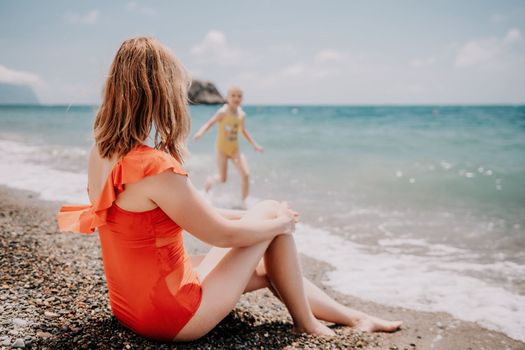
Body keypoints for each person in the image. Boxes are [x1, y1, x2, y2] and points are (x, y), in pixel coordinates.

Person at [57, 37, 402, 342]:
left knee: (268, 264)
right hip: (171, 316)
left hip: (128, 305)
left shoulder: (101, 152)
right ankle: (307, 323)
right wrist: (279, 223)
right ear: (163, 92)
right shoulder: (155, 167)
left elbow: (187, 214)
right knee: (269, 212)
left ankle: (351, 317)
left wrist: (261, 220)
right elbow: (222, 235)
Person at [193, 86, 263, 205]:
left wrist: (254, 145)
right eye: (233, 95)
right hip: (222, 149)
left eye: (239, 96)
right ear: (227, 98)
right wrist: (200, 132)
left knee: (246, 175)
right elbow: (210, 123)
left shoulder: (241, 115)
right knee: (223, 178)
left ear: (242, 98)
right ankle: (209, 183)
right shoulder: (223, 112)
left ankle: (244, 202)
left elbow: (243, 132)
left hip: (235, 150)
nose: (236, 98)